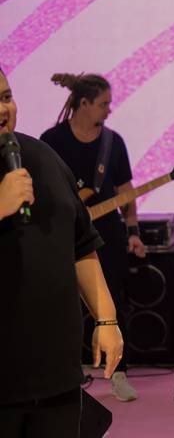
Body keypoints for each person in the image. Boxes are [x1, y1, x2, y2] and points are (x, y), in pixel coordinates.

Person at [0, 67, 123, 438]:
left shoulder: (42, 157)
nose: (3, 109)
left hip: (58, 377)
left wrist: (106, 319)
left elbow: (81, 245)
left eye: (6, 97)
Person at [40, 73, 145, 402]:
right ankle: (61, 375)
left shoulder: (113, 142)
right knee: (59, 304)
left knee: (114, 302)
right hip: (61, 232)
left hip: (107, 233)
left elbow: (126, 191)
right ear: (83, 103)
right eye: (103, 104)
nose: (109, 110)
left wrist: (133, 232)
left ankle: (119, 374)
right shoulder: (52, 140)